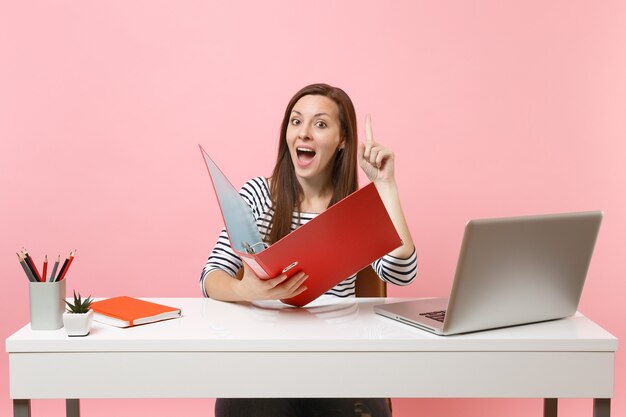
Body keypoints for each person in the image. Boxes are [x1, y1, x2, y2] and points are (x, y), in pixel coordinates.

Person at [200, 83, 417, 417]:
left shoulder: (356, 209)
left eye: (320, 124)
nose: (304, 134)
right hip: (265, 363)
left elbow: (401, 272)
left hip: (337, 364)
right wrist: (244, 288)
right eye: (296, 121)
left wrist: (385, 186)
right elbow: (210, 276)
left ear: (343, 140)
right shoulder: (259, 194)